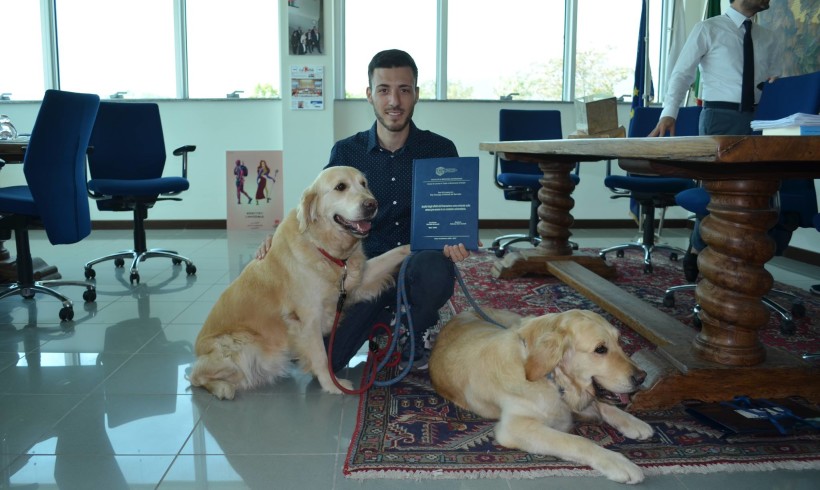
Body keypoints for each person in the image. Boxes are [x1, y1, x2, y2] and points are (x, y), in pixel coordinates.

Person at [256, 49, 471, 372]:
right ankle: (381, 320)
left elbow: (452, 213)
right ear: (369, 95)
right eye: (384, 90)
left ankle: (411, 328)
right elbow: (321, 208)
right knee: (325, 365)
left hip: (417, 264)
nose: (394, 101)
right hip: (361, 271)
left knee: (436, 270)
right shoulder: (347, 151)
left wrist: (456, 238)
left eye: (404, 90)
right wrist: (280, 238)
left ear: (416, 94)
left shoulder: (440, 150)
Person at [648, 0, 783, 280]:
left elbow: (776, 80)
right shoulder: (708, 28)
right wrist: (669, 114)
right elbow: (682, 74)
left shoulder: (769, 37)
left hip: (760, 119)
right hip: (719, 117)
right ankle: (699, 247)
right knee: (717, 191)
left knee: (755, 190)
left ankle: (741, 257)